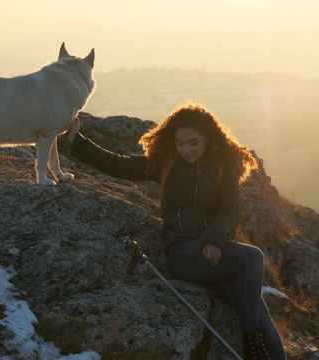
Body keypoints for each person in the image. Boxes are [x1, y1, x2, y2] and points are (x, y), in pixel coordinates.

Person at [66, 103, 286, 360]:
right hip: (184, 254)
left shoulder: (224, 166)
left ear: (208, 139)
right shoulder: (166, 165)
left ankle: (261, 345)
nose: (186, 150)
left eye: (193, 142)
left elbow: (230, 209)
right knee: (253, 257)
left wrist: (213, 240)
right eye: (180, 143)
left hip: (217, 256)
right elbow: (120, 165)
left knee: (264, 322)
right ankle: (251, 348)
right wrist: (77, 142)